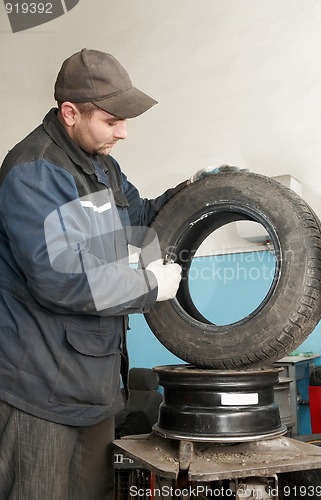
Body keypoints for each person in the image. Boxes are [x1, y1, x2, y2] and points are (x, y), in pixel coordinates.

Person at [0, 48, 194, 499]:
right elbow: (58, 276)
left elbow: (141, 219)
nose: (123, 133)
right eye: (112, 121)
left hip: (94, 384)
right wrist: (149, 286)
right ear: (70, 113)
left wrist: (194, 191)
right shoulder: (35, 172)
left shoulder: (101, 165)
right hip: (40, 391)